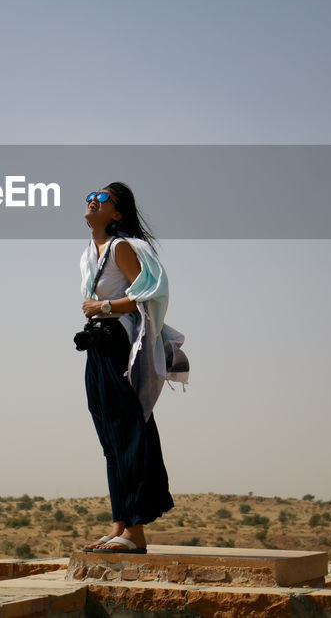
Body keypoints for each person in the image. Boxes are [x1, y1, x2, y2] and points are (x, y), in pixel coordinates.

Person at [75, 182, 188, 554]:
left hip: (119, 344)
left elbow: (148, 294)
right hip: (98, 344)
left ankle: (135, 534)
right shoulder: (90, 253)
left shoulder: (121, 247)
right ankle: (119, 526)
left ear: (117, 214)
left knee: (126, 430)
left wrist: (104, 307)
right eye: (91, 195)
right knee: (109, 436)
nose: (94, 199)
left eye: (103, 198)